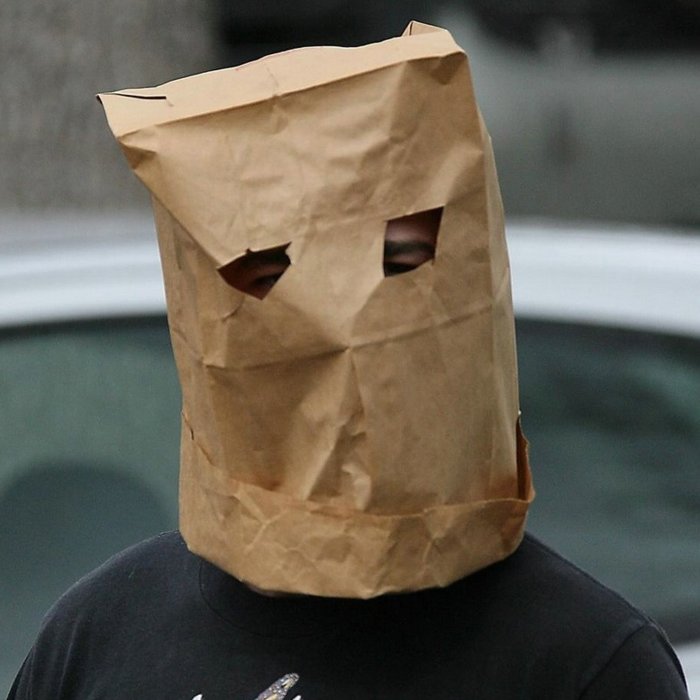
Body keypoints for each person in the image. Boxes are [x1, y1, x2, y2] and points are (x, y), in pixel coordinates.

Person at [8, 23, 689, 700]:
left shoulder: (583, 663)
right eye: (267, 273)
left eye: (402, 257)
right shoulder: (102, 635)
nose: (340, 329)